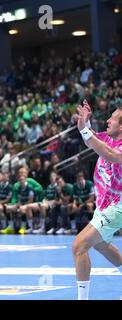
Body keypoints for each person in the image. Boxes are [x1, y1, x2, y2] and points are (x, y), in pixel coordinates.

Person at [73, 99, 122, 300]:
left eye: (113, 117)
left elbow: (109, 155)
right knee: (101, 244)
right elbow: (91, 140)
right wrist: (84, 124)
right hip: (103, 205)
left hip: (118, 206)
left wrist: (86, 131)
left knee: (79, 245)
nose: (109, 120)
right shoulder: (108, 138)